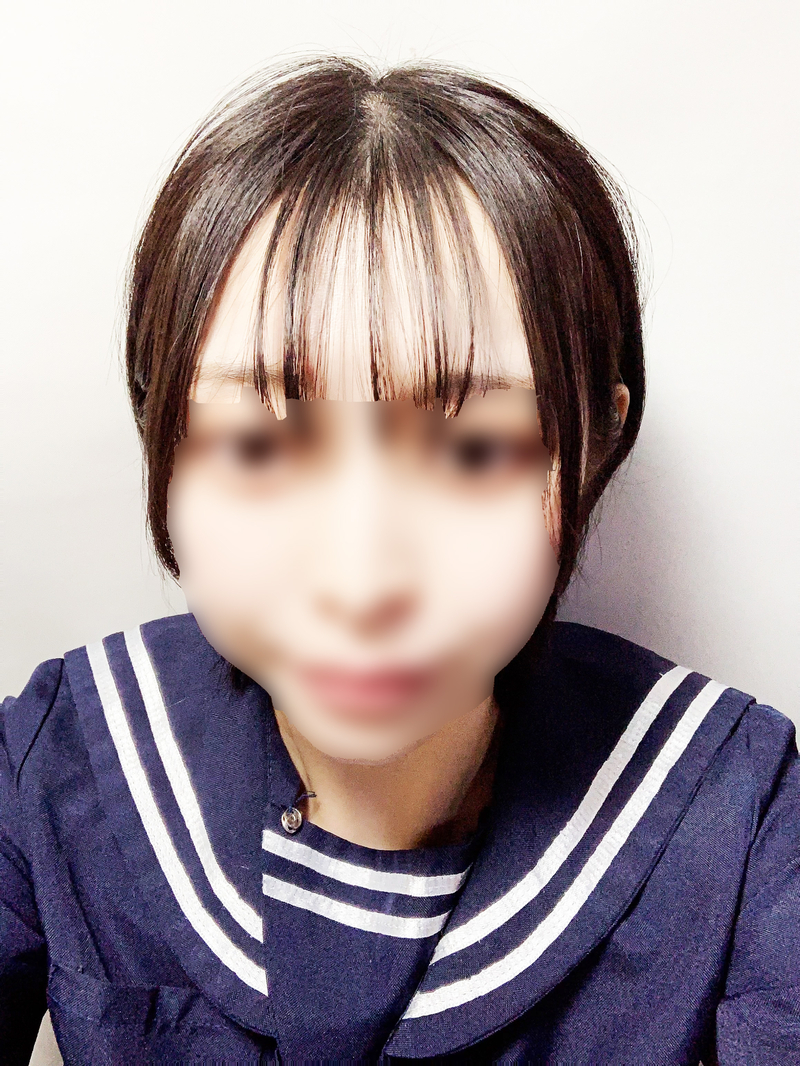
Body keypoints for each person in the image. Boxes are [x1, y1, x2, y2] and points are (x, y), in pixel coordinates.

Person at [1, 56, 798, 1065]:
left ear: (593, 444)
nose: (362, 583)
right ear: (160, 428)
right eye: (258, 445)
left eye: (473, 451)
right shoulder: (62, 756)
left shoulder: (736, 809)